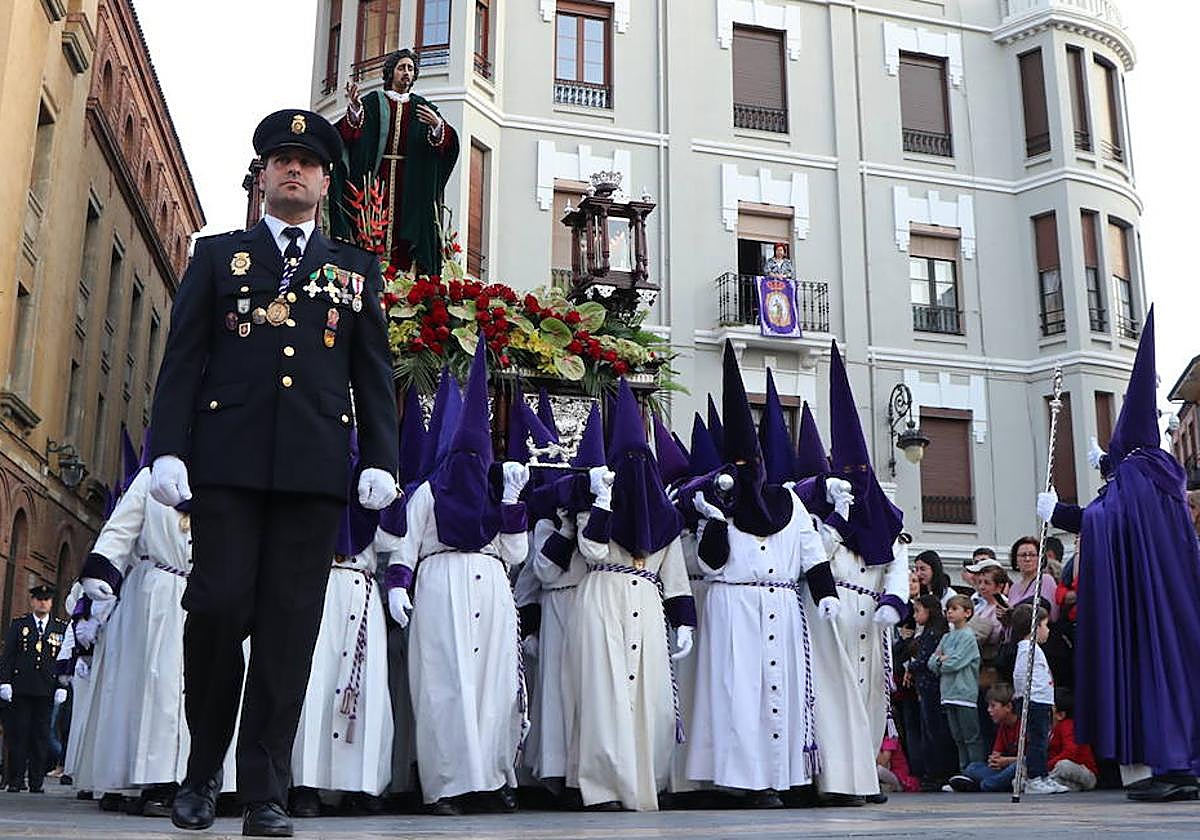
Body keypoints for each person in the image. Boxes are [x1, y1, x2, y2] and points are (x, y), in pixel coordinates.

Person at [143, 108, 399, 837]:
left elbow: (372, 371)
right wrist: (169, 447)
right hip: (227, 467)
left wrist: (381, 457)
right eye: (280, 160)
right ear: (261, 178)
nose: (293, 169)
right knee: (217, 612)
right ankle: (200, 774)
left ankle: (265, 794)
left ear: (325, 182)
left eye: (307, 162)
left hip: (314, 475)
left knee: (289, 634)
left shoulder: (355, 270)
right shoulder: (218, 256)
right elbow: (183, 360)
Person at [1037, 307, 1200, 802]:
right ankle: (1178, 765)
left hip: (1150, 607)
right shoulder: (1156, 470)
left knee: (1157, 677)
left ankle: (1170, 766)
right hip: (1171, 602)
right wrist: (1108, 466)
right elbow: (1129, 516)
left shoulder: (1138, 472)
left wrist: (1060, 511)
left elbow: (1111, 520)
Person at [686, 345, 836, 807]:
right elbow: (710, 563)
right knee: (738, 692)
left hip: (782, 607)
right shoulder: (722, 503)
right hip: (734, 609)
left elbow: (813, 553)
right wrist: (712, 519)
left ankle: (780, 774)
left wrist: (825, 593)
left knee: (782, 691)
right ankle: (741, 778)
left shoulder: (790, 504)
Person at [385, 341, 529, 815]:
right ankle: (445, 784)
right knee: (444, 686)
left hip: (491, 590)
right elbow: (406, 544)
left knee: (494, 687)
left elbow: (515, 552)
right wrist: (398, 587)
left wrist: (510, 501)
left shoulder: (494, 490)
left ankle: (490, 778)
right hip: (441, 588)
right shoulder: (428, 491)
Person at [562, 379, 696, 812]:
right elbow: (591, 548)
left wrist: (685, 620)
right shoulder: (597, 502)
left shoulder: (665, 517)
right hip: (603, 593)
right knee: (604, 692)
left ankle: (644, 778)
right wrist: (601, 503)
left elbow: (674, 574)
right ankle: (600, 784)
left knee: (648, 697)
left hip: (648, 601)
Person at [792, 341, 910, 804]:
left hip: (870, 620)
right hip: (829, 616)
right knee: (831, 700)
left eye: (864, 472)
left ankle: (861, 774)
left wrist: (894, 604)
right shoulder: (821, 518)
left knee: (868, 700)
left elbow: (897, 564)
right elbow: (812, 557)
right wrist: (837, 520)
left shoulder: (888, 523)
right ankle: (833, 780)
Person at [289, 438, 393, 816]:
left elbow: (391, 540)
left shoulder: (372, 486)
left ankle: (361, 784)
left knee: (363, 688)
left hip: (359, 585)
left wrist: (384, 498)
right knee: (312, 686)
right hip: (316, 581)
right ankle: (305, 784)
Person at [332, 49, 460, 275]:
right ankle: (373, 270)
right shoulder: (374, 102)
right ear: (391, 72)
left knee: (409, 229)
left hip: (411, 183)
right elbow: (351, 134)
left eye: (410, 69)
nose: (406, 73)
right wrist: (354, 110)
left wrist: (437, 126)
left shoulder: (422, 106)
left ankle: (406, 277)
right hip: (377, 180)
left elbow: (448, 144)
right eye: (402, 68)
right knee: (372, 225)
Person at [0, 585, 67, 793]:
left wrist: (62, 685)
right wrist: (5, 682)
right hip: (21, 688)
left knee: (40, 736)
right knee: (18, 735)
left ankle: (36, 781)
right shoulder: (20, 625)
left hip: (46, 689)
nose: (42, 603)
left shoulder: (59, 628)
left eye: (46, 599)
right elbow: (9, 655)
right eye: (39, 599)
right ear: (32, 601)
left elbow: (63, 659)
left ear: (51, 603)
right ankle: (15, 779)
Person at [1009, 604, 1068, 794]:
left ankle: (1041, 775)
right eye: (1045, 625)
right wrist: (1027, 697)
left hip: (1041, 700)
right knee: (1037, 741)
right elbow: (1021, 676)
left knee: (1041, 740)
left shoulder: (1034, 648)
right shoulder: (1027, 649)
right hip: (1034, 701)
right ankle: (1035, 777)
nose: (1048, 630)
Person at [904, 595, 956, 791]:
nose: (915, 616)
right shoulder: (928, 631)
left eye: (918, 611)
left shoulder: (934, 633)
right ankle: (931, 771)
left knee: (933, 730)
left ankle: (937, 772)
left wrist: (911, 666)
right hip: (924, 686)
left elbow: (925, 659)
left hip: (931, 687)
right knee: (928, 730)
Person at [929, 595, 983, 773]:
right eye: (948, 609)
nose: (950, 612)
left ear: (967, 613)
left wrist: (941, 661)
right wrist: (940, 661)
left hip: (964, 693)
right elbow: (931, 662)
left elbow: (956, 662)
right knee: (957, 737)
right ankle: (963, 770)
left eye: (955, 609)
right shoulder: (946, 637)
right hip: (948, 693)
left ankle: (974, 771)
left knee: (970, 736)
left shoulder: (968, 637)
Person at [948, 684, 1020, 792]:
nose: (989, 710)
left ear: (1008, 707)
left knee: (1017, 767)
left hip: (1018, 767)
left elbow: (1031, 759)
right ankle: (993, 783)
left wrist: (1006, 761)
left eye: (993, 706)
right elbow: (996, 752)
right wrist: (995, 760)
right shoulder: (1002, 726)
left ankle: (983, 785)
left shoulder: (1023, 724)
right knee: (972, 768)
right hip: (1003, 770)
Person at [1048, 687, 1098, 792]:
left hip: (1086, 775)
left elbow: (1070, 752)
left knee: (1062, 765)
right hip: (1063, 775)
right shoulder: (1049, 730)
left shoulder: (1068, 726)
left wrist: (1047, 766)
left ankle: (1049, 780)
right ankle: (1062, 785)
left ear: (1060, 715)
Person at [1006, 536, 1058, 623]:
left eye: (1032, 555)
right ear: (1016, 559)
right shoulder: (1013, 588)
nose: (1027, 559)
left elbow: (1050, 615)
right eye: (1023, 555)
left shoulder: (1045, 580)